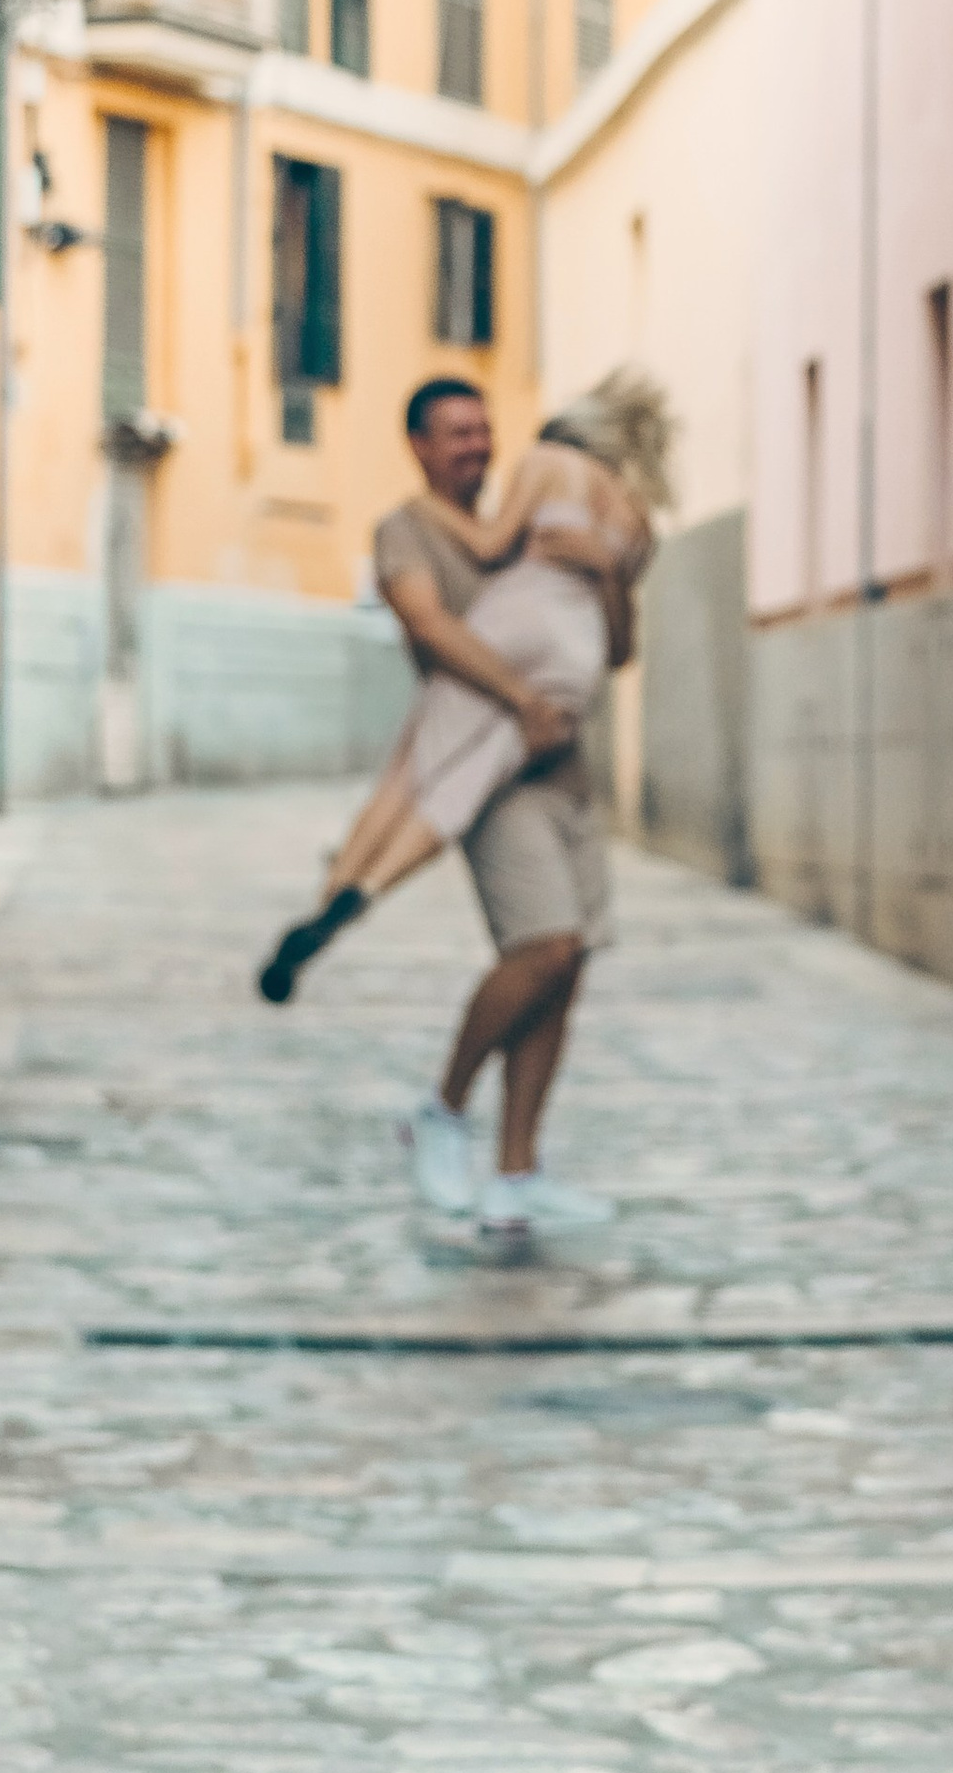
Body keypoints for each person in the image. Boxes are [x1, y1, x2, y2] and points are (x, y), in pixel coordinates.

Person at [256, 370, 673, 1238]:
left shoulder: (536, 511)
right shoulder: (408, 530)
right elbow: (432, 628)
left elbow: (617, 646)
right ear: (418, 445)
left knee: (568, 966)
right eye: (457, 433)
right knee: (542, 947)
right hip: (492, 769)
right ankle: (439, 1108)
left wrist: (608, 575)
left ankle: (517, 1173)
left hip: (565, 767)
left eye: (484, 431)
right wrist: (522, 700)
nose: (477, 446)